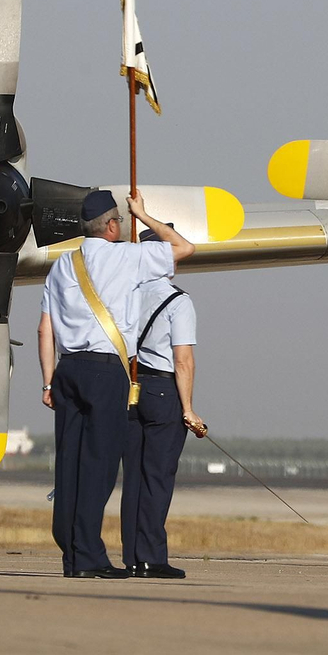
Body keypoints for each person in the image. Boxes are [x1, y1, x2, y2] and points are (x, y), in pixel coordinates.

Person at [40, 189, 193, 579]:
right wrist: (144, 215)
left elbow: (45, 328)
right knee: (99, 465)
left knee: (69, 465)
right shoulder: (128, 256)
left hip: (66, 369)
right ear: (112, 225)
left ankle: (72, 555)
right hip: (106, 370)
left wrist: (47, 382)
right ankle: (89, 556)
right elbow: (183, 248)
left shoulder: (62, 264)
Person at [120, 226, 205, 579]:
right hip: (163, 390)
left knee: (134, 478)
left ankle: (132, 557)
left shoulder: (125, 295)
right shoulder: (178, 301)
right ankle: (152, 557)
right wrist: (188, 409)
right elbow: (183, 360)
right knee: (157, 477)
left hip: (129, 385)